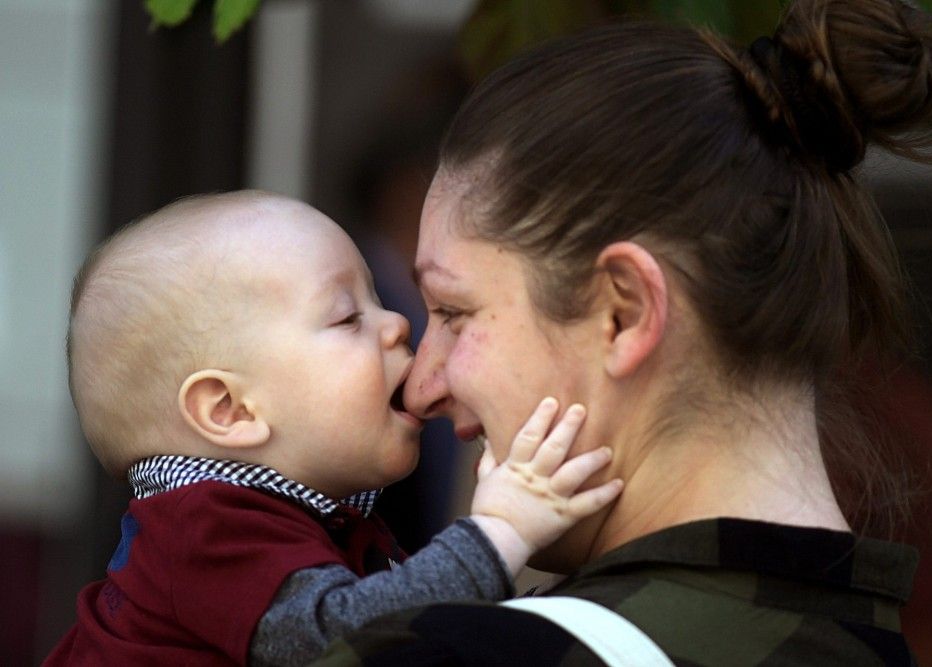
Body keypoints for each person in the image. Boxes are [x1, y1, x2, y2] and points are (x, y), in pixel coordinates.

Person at [311, 0, 932, 664]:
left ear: (625, 311)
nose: (420, 387)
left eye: (455, 313)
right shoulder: (881, 646)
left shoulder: (450, 656)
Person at [45, 191, 624, 666]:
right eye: (348, 317)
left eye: (376, 300)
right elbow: (344, 645)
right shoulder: (205, 529)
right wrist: (500, 530)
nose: (398, 323)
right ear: (230, 409)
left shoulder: (301, 517)